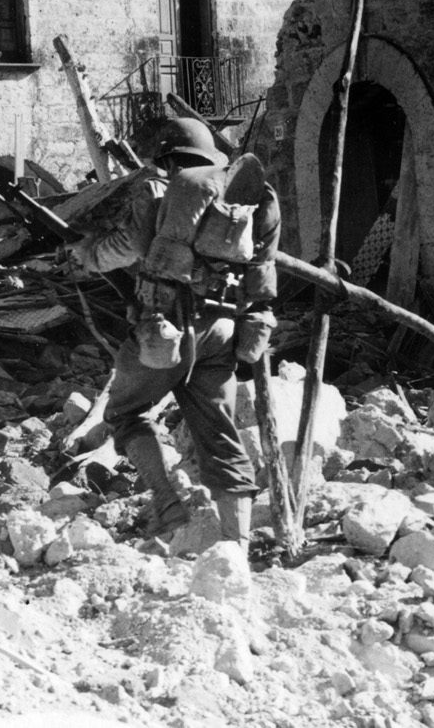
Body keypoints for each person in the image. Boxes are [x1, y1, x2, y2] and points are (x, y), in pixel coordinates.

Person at [78, 116, 283, 547]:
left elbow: (125, 249)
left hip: (165, 328)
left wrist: (85, 252)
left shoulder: (159, 191)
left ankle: (169, 505)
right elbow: (263, 273)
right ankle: (236, 547)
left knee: (124, 414)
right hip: (224, 331)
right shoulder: (253, 198)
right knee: (221, 437)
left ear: (170, 158)